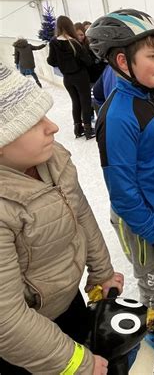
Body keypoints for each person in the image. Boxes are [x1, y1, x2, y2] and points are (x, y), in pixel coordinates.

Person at [86, 8, 154, 370]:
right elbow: (123, 191)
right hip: (141, 220)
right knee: (153, 282)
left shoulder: (146, 94)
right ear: (122, 60)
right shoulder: (118, 115)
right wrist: (153, 233)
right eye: (152, 56)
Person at [0, 63, 123, 374]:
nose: (52, 127)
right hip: (28, 343)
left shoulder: (52, 159)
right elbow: (7, 322)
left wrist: (102, 273)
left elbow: (81, 214)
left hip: (68, 302)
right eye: (32, 122)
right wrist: (75, 362)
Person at [47, 15, 95, 139]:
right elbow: (88, 61)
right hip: (80, 76)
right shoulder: (74, 42)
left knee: (75, 102)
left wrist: (63, 62)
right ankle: (88, 129)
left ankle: (78, 129)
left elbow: (51, 61)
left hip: (67, 78)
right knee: (85, 101)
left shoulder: (53, 42)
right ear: (70, 26)